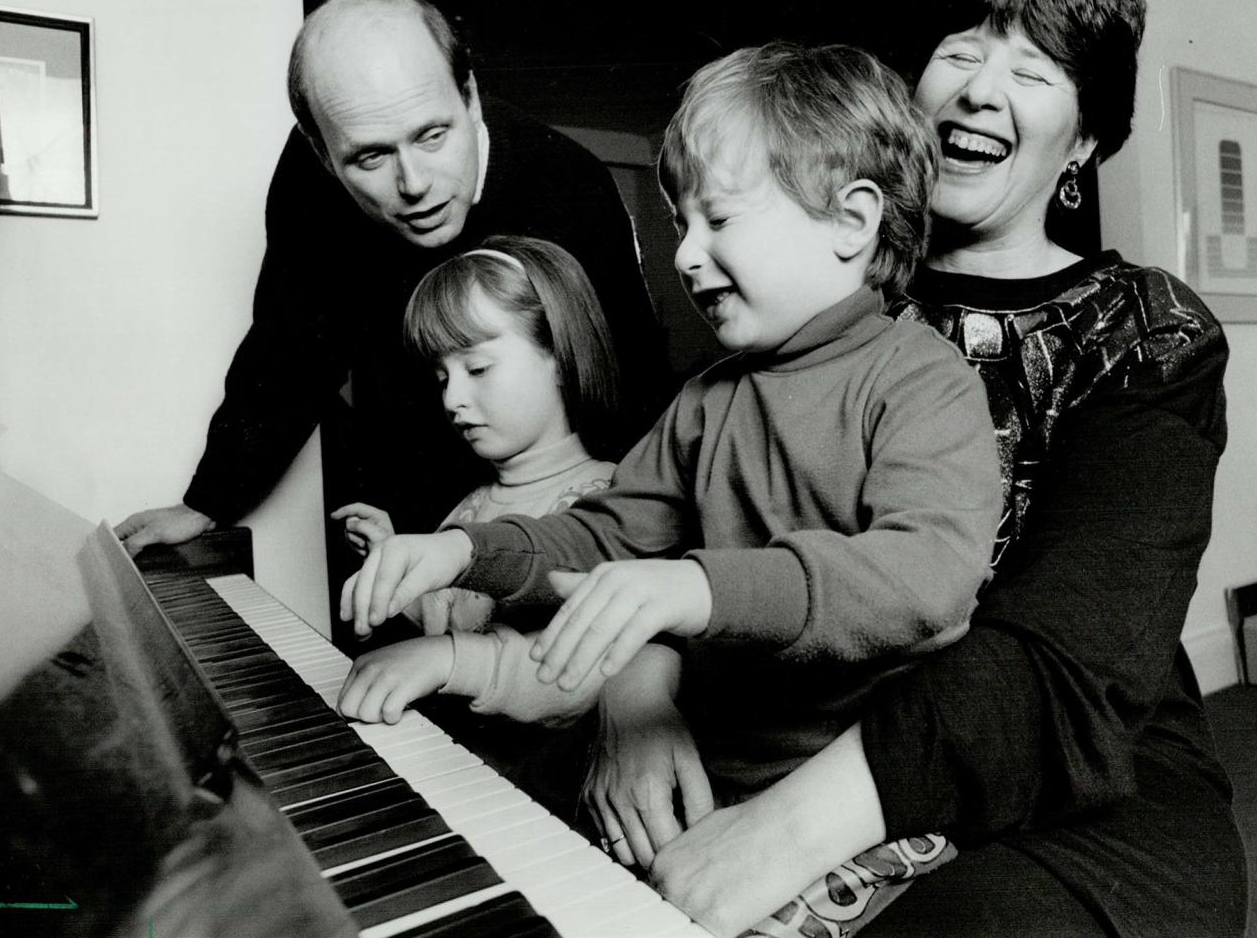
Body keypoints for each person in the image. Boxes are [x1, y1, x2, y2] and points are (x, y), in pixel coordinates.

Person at [632, 0, 1246, 938]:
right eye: (960, 54)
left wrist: (777, 837)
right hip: (793, 722)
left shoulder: (1149, 334)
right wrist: (633, 689)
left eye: (1032, 72)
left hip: (1076, 760)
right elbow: (667, 508)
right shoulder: (797, 276)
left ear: (1082, 142)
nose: (978, 93)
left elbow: (1069, 649)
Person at [337, 44, 1004, 828]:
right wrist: (464, 553)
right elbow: (607, 535)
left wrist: (696, 587)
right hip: (713, 769)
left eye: (717, 218)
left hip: (857, 797)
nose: (686, 254)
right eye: (683, 223)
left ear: (851, 222)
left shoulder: (920, 380)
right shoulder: (705, 401)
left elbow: (925, 576)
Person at [115, 0, 667, 573]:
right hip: (409, 492)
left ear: (471, 97)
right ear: (322, 153)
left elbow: (631, 378)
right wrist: (209, 501)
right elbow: (287, 350)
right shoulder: (310, 181)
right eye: (371, 158)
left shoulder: (572, 187)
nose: (414, 183)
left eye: (433, 135)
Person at [333, 235, 621, 727]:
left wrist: (449, 658)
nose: (451, 400)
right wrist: (394, 562)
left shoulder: (607, 504)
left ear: (559, 355)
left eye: (478, 367)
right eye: (443, 377)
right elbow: (449, 616)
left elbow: (589, 673)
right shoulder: (472, 505)